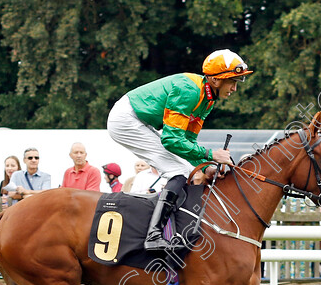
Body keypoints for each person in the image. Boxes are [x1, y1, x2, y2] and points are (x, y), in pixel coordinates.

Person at [107, 49, 252, 249]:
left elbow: (188, 140)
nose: (235, 88)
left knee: (186, 169)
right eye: (233, 81)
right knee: (178, 171)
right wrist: (211, 155)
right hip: (126, 120)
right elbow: (171, 141)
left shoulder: (208, 99)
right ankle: (153, 235)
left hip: (139, 119)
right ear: (216, 80)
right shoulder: (190, 90)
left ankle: (166, 229)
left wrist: (203, 165)